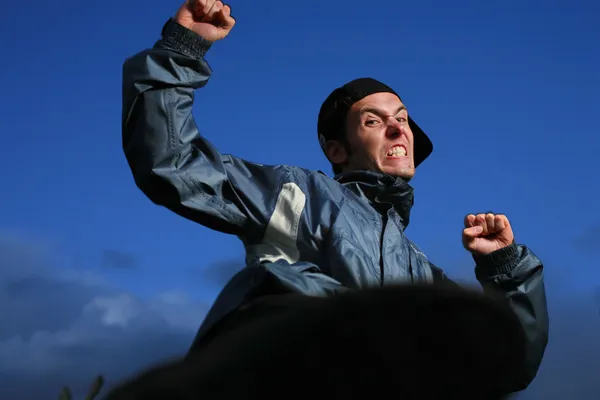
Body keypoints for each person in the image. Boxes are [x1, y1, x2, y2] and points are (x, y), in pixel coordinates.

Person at [115, 0, 549, 398]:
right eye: (374, 120)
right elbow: (171, 160)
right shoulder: (297, 192)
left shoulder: (421, 276)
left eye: (402, 119)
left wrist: (506, 270)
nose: (400, 129)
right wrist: (182, 47)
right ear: (337, 150)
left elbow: (506, 363)